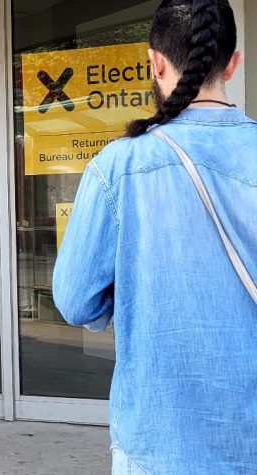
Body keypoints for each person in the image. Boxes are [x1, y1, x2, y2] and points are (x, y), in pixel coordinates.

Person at [53, 0, 257, 473]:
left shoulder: (118, 166)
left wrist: (130, 295)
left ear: (154, 62)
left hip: (160, 442)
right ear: (233, 63)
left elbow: (74, 300)